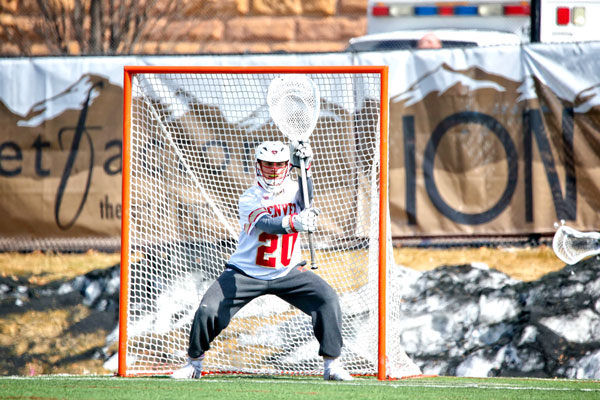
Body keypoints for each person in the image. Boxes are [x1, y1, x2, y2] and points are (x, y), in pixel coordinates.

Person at [171, 140, 353, 381]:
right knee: (208, 309)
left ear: (288, 166)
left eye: (279, 164)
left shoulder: (294, 189)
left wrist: (306, 169)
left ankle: (332, 366)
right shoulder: (249, 198)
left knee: (327, 300)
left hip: (288, 271)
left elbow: (306, 198)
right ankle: (194, 364)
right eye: (268, 164)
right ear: (258, 165)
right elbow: (267, 224)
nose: (274, 169)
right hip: (246, 273)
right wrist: (294, 222)